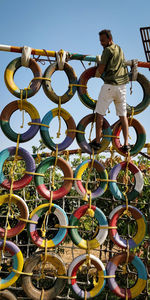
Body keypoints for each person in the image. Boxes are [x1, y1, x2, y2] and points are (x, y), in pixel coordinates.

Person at [90, 29, 130, 152]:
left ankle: (97, 141)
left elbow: (102, 67)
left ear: (109, 39)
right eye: (100, 41)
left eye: (103, 40)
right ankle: (126, 144)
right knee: (123, 116)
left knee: (100, 113)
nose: (101, 43)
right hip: (122, 87)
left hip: (109, 86)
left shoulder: (107, 50)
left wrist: (96, 74)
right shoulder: (119, 48)